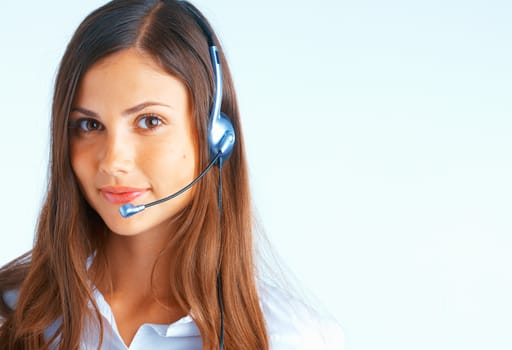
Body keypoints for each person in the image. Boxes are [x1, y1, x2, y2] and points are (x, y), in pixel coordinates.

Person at [0, 0, 344, 349]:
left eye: (149, 121)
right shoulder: (11, 313)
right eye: (90, 125)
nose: (112, 161)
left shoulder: (290, 338)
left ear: (215, 136)